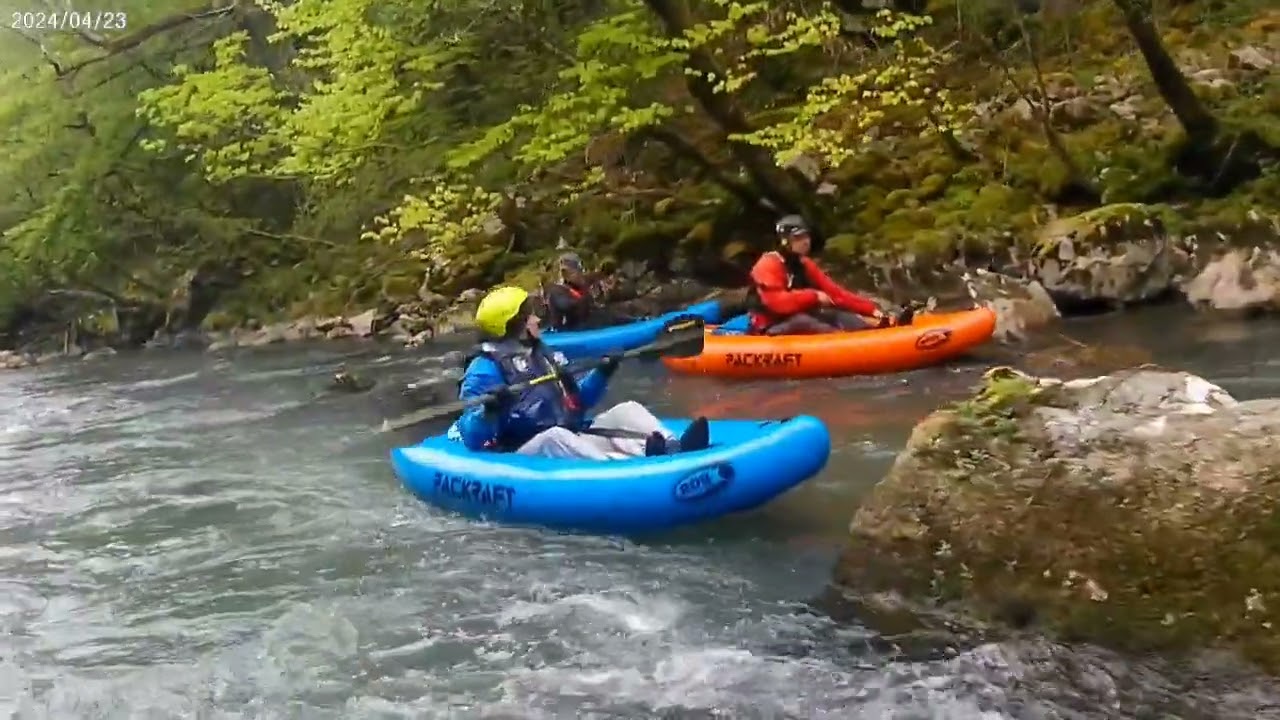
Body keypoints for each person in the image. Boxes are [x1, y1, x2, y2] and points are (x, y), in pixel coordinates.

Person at [447, 285, 710, 460]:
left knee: (627, 409)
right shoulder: (484, 369)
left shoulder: (543, 354)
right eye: (530, 316)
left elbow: (577, 401)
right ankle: (624, 471)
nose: (537, 320)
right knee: (554, 437)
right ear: (515, 325)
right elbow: (472, 436)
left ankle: (673, 446)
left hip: (568, 433)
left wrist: (604, 371)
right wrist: (490, 411)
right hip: (521, 451)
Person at [747, 215, 913, 335]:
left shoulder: (804, 264)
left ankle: (875, 330)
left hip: (796, 317)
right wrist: (814, 296)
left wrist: (872, 310)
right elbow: (778, 304)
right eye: (798, 238)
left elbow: (836, 294)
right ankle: (846, 345)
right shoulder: (767, 264)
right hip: (770, 326)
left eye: (806, 236)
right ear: (784, 242)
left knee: (836, 315)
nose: (805, 241)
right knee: (805, 322)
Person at [543, 252, 608, 331]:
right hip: (570, 331)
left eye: (580, 271)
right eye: (576, 272)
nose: (580, 275)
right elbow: (567, 306)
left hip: (587, 327)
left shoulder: (581, 285)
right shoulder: (557, 291)